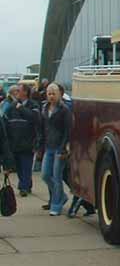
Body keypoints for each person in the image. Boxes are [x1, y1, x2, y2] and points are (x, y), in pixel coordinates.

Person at [38, 83, 73, 216]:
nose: (51, 96)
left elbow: (68, 130)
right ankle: (61, 196)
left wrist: (64, 148)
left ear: (59, 94)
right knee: (46, 175)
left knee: (57, 176)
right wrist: (39, 147)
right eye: (49, 93)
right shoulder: (44, 109)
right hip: (48, 146)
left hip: (60, 147)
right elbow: (42, 129)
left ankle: (56, 205)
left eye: (54, 93)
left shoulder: (65, 110)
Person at [4, 83, 41, 196]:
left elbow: (35, 118)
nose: (16, 93)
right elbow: (6, 121)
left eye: (18, 91)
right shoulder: (11, 106)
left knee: (26, 166)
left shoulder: (33, 105)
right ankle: (26, 185)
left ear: (25, 92)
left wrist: (21, 108)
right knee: (19, 167)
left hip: (28, 142)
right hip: (15, 142)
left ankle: (24, 187)